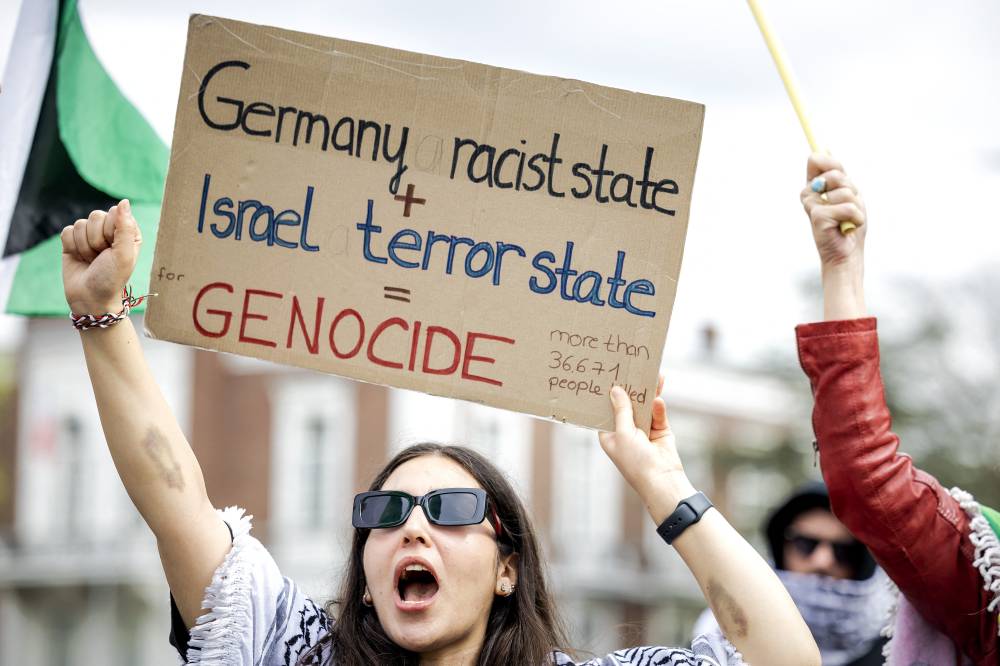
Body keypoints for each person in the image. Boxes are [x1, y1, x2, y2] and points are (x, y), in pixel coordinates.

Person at [60, 200, 820, 665]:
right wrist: (102, 318)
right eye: (386, 512)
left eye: (451, 510)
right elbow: (177, 505)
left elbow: (784, 659)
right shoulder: (291, 652)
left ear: (508, 570)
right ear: (366, 569)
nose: (412, 528)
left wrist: (666, 487)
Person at [795, 154, 1000, 665]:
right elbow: (870, 481)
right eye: (804, 545)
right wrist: (842, 271)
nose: (822, 563)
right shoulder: (989, 580)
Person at [695, 482, 890, 665]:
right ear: (781, 547)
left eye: (843, 551)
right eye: (806, 544)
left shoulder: (892, 647)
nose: (823, 561)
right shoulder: (720, 633)